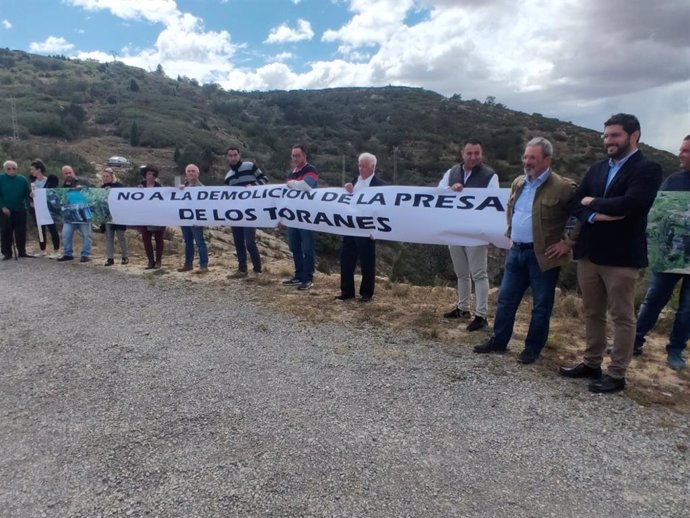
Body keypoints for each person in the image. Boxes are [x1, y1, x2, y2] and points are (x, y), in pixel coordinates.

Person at [560, 113, 663, 393]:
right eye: (606, 136)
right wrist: (594, 216)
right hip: (590, 253)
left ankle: (617, 373)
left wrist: (593, 202)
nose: (609, 141)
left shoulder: (648, 168)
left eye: (615, 135)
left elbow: (632, 204)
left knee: (622, 316)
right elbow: (573, 202)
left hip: (621, 257)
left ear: (634, 135)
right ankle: (591, 363)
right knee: (592, 311)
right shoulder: (597, 168)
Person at [473, 137, 576, 364]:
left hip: (543, 257)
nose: (527, 162)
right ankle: (499, 341)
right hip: (516, 252)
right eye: (526, 157)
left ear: (547, 160)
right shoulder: (519, 182)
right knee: (506, 300)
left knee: (540, 306)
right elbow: (512, 210)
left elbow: (581, 218)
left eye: (533, 158)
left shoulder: (563, 187)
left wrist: (567, 244)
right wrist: (511, 235)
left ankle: (532, 349)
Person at [633, 135, 690, 370]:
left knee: (688, 308)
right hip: (669, 254)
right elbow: (658, 214)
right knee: (654, 298)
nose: (680, 154)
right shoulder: (673, 181)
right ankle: (634, 341)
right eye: (681, 149)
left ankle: (675, 350)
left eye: (686, 151)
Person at [438, 139, 499, 331]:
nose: (473, 157)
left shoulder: (490, 176)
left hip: (476, 232)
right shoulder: (451, 172)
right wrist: (451, 189)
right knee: (461, 273)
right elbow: (438, 193)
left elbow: (494, 201)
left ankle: (481, 315)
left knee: (479, 274)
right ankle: (462, 308)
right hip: (455, 229)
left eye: (477, 153)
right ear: (462, 154)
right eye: (469, 153)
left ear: (481, 154)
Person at [335, 153, 386, 302]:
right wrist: (347, 190)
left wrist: (376, 230)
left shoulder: (381, 185)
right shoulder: (354, 181)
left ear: (372, 167)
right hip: (350, 227)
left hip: (367, 229)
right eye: (359, 165)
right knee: (346, 259)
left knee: (367, 262)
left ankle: (366, 293)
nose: (360, 168)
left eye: (363, 165)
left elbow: (383, 210)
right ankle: (346, 291)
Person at [224, 146, 268, 277]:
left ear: (239, 155)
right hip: (235, 213)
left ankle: (257, 270)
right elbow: (226, 196)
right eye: (230, 155)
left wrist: (253, 186)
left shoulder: (250, 166)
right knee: (238, 242)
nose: (233, 157)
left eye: (235, 155)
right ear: (227, 157)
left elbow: (264, 179)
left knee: (249, 242)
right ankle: (242, 270)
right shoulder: (228, 176)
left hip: (251, 212)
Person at [283, 144, 319, 290]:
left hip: (307, 216)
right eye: (293, 156)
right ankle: (298, 275)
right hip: (293, 217)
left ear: (305, 156)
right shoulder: (292, 172)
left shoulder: (311, 170)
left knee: (308, 248)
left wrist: (291, 183)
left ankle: (308, 278)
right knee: (294, 247)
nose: (295, 158)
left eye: (298, 155)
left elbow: (307, 185)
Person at [56, 165, 93, 263]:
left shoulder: (83, 181)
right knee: (66, 234)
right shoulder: (63, 186)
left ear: (73, 172)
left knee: (87, 235)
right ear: (63, 175)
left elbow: (92, 193)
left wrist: (83, 189)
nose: (68, 175)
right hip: (70, 215)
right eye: (66, 173)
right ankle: (68, 254)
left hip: (83, 213)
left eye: (69, 172)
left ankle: (85, 254)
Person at [178, 163, 209, 274]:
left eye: (193, 171)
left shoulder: (202, 188)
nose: (191, 173)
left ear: (198, 173)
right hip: (185, 219)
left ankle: (204, 265)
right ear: (186, 174)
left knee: (200, 242)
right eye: (189, 171)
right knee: (188, 242)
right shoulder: (184, 187)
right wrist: (179, 190)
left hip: (196, 219)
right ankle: (188, 264)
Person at [0, 160, 32, 260]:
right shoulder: (1, 178)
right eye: (9, 168)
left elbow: (27, 193)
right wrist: (3, 207)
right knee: (6, 231)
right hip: (5, 210)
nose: (11, 170)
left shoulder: (22, 179)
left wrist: (29, 202)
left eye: (13, 168)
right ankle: (7, 253)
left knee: (21, 231)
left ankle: (22, 251)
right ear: (5, 169)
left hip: (20, 209)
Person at [29, 159, 60, 258]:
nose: (31, 171)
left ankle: (56, 250)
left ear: (39, 169)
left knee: (52, 229)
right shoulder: (32, 182)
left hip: (48, 209)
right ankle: (43, 250)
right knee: (40, 230)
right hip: (37, 210)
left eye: (33, 169)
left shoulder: (49, 181)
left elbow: (52, 194)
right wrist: (31, 197)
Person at [100, 168, 128, 266]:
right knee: (109, 238)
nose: (105, 178)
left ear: (112, 177)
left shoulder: (119, 186)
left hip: (118, 216)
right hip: (107, 216)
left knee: (121, 237)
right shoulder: (101, 188)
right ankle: (110, 258)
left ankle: (125, 257)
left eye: (107, 176)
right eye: (103, 176)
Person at [139, 165, 165, 269]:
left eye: (153, 174)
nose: (150, 176)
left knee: (159, 238)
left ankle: (158, 261)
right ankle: (150, 261)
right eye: (149, 173)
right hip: (144, 216)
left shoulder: (159, 187)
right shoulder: (140, 186)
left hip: (158, 216)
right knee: (146, 239)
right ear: (145, 175)